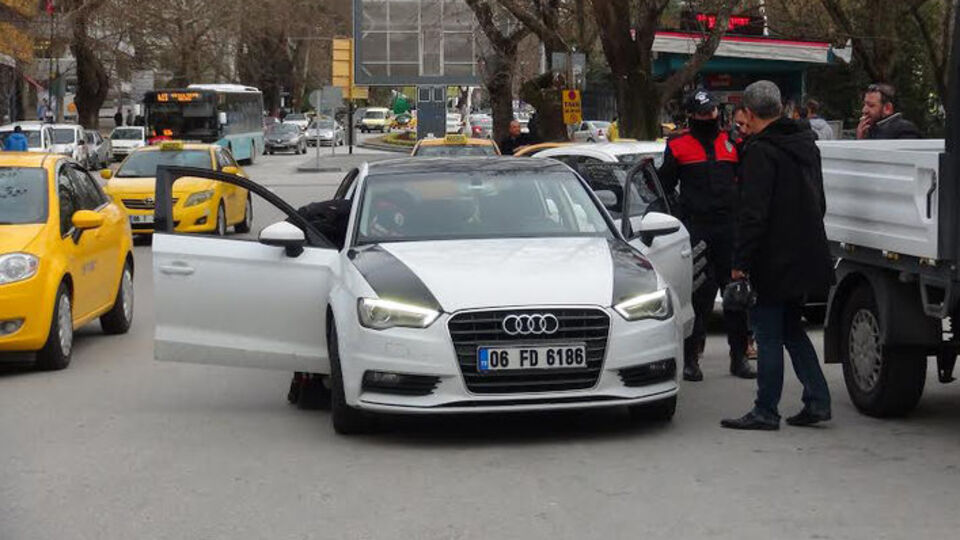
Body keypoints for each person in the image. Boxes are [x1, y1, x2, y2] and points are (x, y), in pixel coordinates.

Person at [721, 81, 834, 431]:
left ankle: (766, 410)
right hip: (805, 254)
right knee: (791, 331)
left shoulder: (759, 152)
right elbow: (820, 201)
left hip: (772, 259)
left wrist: (740, 263)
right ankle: (817, 400)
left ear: (750, 114)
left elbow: (754, 214)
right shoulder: (805, 144)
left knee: (767, 334)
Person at [658, 89, 756, 381]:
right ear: (691, 115)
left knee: (736, 295)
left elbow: (748, 181)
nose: (709, 116)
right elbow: (663, 186)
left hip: (729, 228)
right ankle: (690, 359)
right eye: (702, 113)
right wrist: (680, 215)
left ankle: (739, 357)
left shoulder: (732, 141)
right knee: (697, 296)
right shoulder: (678, 145)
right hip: (696, 229)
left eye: (712, 111)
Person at [857, 83, 921, 140]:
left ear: (887, 108)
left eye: (871, 105)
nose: (864, 110)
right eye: (864, 105)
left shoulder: (904, 130)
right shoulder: (868, 130)